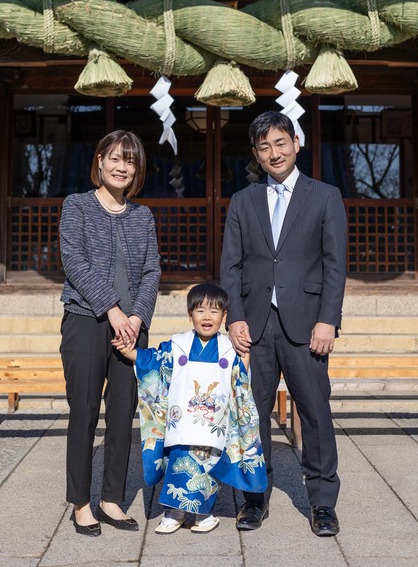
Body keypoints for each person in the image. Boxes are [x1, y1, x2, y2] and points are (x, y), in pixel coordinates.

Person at [220, 110, 347, 537]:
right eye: (264, 146)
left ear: (296, 143)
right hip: (254, 327)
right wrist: (234, 317)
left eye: (280, 143)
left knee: (314, 413)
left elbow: (335, 265)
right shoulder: (243, 201)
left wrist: (328, 320)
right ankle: (254, 498)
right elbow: (230, 266)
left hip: (307, 324)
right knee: (251, 414)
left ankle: (323, 502)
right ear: (255, 153)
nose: (274, 152)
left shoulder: (325, 196)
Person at [59, 130, 161, 536]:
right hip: (86, 321)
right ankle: (81, 503)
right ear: (100, 160)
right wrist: (113, 310)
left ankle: (111, 499)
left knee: (123, 414)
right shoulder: (77, 206)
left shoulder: (142, 215)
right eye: (116, 159)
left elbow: (152, 270)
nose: (123, 167)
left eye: (131, 162)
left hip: (132, 329)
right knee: (83, 413)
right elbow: (74, 261)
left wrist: (137, 318)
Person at [114, 282, 267, 535]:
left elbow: (241, 380)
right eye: (200, 310)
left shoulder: (230, 348)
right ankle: (174, 512)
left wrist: (245, 356)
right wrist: (130, 353)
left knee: (207, 466)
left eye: (215, 311)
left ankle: (203, 512)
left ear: (224, 317)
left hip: (214, 423)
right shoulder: (179, 345)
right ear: (190, 315)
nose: (207, 317)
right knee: (180, 461)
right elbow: (154, 360)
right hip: (182, 420)